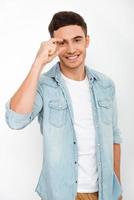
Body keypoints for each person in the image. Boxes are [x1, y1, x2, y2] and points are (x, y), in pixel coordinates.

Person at [5, 11, 123, 200]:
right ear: (52, 45)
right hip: (61, 194)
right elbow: (15, 120)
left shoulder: (105, 85)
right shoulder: (43, 85)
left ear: (87, 41)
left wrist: (118, 190)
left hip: (104, 192)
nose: (71, 49)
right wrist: (38, 63)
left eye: (77, 40)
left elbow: (114, 137)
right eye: (62, 43)